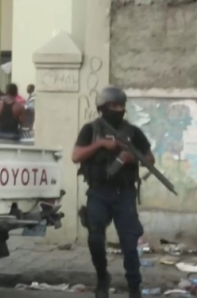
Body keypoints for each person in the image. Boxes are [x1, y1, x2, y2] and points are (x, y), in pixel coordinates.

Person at [72, 86, 153, 298]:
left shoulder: (133, 132)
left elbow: (150, 159)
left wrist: (131, 158)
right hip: (98, 192)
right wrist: (100, 144)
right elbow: (76, 155)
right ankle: (102, 278)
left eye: (121, 106)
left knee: (129, 242)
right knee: (95, 238)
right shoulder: (91, 130)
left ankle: (134, 287)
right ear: (102, 108)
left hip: (124, 194)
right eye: (113, 106)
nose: (118, 109)